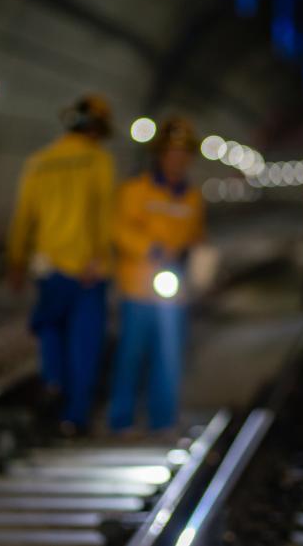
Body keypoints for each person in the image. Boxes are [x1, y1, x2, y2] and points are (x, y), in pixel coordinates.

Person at [7, 94, 115, 435]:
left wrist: (16, 262)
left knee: (50, 326)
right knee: (83, 343)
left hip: (48, 268)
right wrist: (101, 257)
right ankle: (75, 416)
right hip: (86, 270)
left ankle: (53, 380)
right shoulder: (98, 161)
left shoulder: (39, 162)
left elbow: (23, 217)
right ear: (97, 129)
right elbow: (104, 214)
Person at [108, 116, 205, 435]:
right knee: (131, 356)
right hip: (137, 288)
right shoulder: (135, 191)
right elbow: (119, 229)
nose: (178, 160)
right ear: (160, 156)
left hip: (172, 291)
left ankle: (163, 420)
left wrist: (200, 259)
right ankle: (120, 419)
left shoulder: (191, 198)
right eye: (172, 153)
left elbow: (195, 237)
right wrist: (151, 247)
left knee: (169, 357)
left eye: (184, 154)